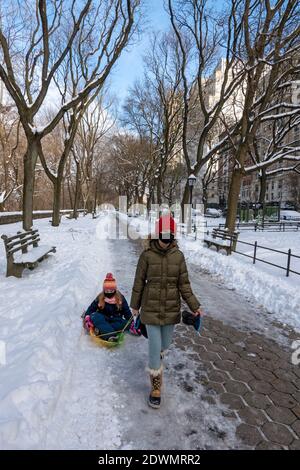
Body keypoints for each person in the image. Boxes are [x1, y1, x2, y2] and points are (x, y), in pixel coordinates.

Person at [130, 214, 204, 408]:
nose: (165, 240)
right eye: (163, 235)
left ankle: (158, 355)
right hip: (151, 309)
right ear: (156, 234)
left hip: (171, 310)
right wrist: (135, 306)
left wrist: (195, 306)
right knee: (155, 348)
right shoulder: (146, 255)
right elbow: (138, 282)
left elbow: (184, 284)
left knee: (165, 343)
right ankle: (156, 386)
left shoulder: (178, 256)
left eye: (169, 236)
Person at [84, 273, 132, 342]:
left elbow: (127, 312)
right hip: (103, 319)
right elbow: (90, 309)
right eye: (107, 291)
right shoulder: (100, 297)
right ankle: (111, 336)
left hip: (116, 320)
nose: (109, 293)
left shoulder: (120, 298)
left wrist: (132, 323)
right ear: (104, 290)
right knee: (95, 316)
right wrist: (87, 317)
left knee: (126, 324)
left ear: (115, 290)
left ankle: (101, 331)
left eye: (111, 291)